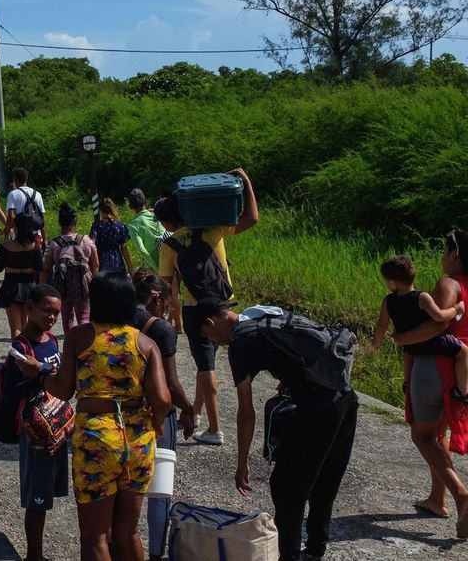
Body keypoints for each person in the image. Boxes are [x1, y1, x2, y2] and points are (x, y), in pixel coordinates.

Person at [197, 298, 360, 560]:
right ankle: (315, 549)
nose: (214, 342)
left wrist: (241, 463)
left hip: (317, 408)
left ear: (211, 322)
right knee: (324, 481)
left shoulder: (240, 343)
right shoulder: (263, 317)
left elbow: (246, 413)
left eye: (209, 336)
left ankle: (290, 557)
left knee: (286, 488)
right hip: (345, 398)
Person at [40, 272, 170, 561]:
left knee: (95, 536)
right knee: (128, 533)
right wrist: (155, 423)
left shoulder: (81, 337)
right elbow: (162, 400)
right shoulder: (146, 344)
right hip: (137, 441)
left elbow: (62, 389)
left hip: (96, 439)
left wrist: (41, 377)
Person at [155, 167, 259, 446]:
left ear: (167, 222)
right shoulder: (213, 228)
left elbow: (167, 287)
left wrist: (167, 315)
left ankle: (215, 429)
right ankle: (198, 414)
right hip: (223, 303)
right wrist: (246, 181)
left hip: (195, 309)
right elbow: (252, 218)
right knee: (208, 362)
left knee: (205, 365)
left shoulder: (169, 245)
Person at [391, 230, 468, 531]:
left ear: (455, 256)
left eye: (445, 250)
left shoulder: (449, 283)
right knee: (439, 432)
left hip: (436, 363)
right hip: (462, 366)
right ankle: (438, 500)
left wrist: (401, 338)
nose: (442, 256)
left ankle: (462, 496)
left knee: (422, 437)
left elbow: (438, 324)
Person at [132, 269, 197, 561]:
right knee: (160, 487)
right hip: (157, 413)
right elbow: (170, 382)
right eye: (167, 305)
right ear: (157, 298)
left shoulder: (120, 317)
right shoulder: (161, 329)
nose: (168, 311)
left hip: (125, 412)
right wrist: (189, 410)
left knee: (128, 485)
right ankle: (156, 553)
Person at [9, 284, 69, 561]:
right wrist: (39, 374)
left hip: (54, 426)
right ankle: (34, 555)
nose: (51, 318)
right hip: (34, 432)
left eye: (56, 313)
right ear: (29, 308)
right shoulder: (20, 348)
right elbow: (12, 391)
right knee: (36, 498)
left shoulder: (52, 340)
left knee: (46, 495)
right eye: (46, 311)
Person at [373, 255, 468, 397]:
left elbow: (381, 325)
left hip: (410, 346)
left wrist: (376, 344)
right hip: (431, 343)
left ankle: (407, 382)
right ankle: (462, 391)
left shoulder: (388, 301)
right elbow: (439, 317)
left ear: (392, 283)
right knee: (464, 352)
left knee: (408, 352)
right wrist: (456, 309)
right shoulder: (422, 297)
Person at [43, 204, 99, 336]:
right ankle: (84, 344)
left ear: (59, 222)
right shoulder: (86, 240)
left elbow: (46, 268)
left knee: (67, 316)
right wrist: (94, 282)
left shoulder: (54, 243)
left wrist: (42, 288)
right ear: (75, 221)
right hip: (83, 284)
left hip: (63, 285)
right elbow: (95, 264)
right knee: (84, 316)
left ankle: (70, 345)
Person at [0, 209, 43, 339]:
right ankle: (27, 352)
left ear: (16, 227)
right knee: (25, 323)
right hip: (29, 286)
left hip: (11, 286)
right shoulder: (35, 247)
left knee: (15, 328)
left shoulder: (5, 246)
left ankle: (17, 355)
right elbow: (39, 268)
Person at [90, 198, 133, 275]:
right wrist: (130, 267)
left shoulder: (97, 226)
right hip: (117, 263)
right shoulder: (120, 226)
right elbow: (124, 248)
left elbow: (92, 245)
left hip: (101, 263)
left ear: (101, 211)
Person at [127, 188, 166, 272]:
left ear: (130, 207)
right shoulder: (156, 214)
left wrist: (156, 268)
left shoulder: (133, 226)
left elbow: (142, 250)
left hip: (154, 263)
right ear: (145, 202)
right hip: (169, 255)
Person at [4, 168, 44, 240]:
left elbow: (11, 216)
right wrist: (45, 238)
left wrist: (6, 234)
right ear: (26, 178)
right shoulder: (38, 194)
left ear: (15, 180)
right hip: (36, 235)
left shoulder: (13, 194)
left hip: (21, 236)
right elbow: (41, 217)